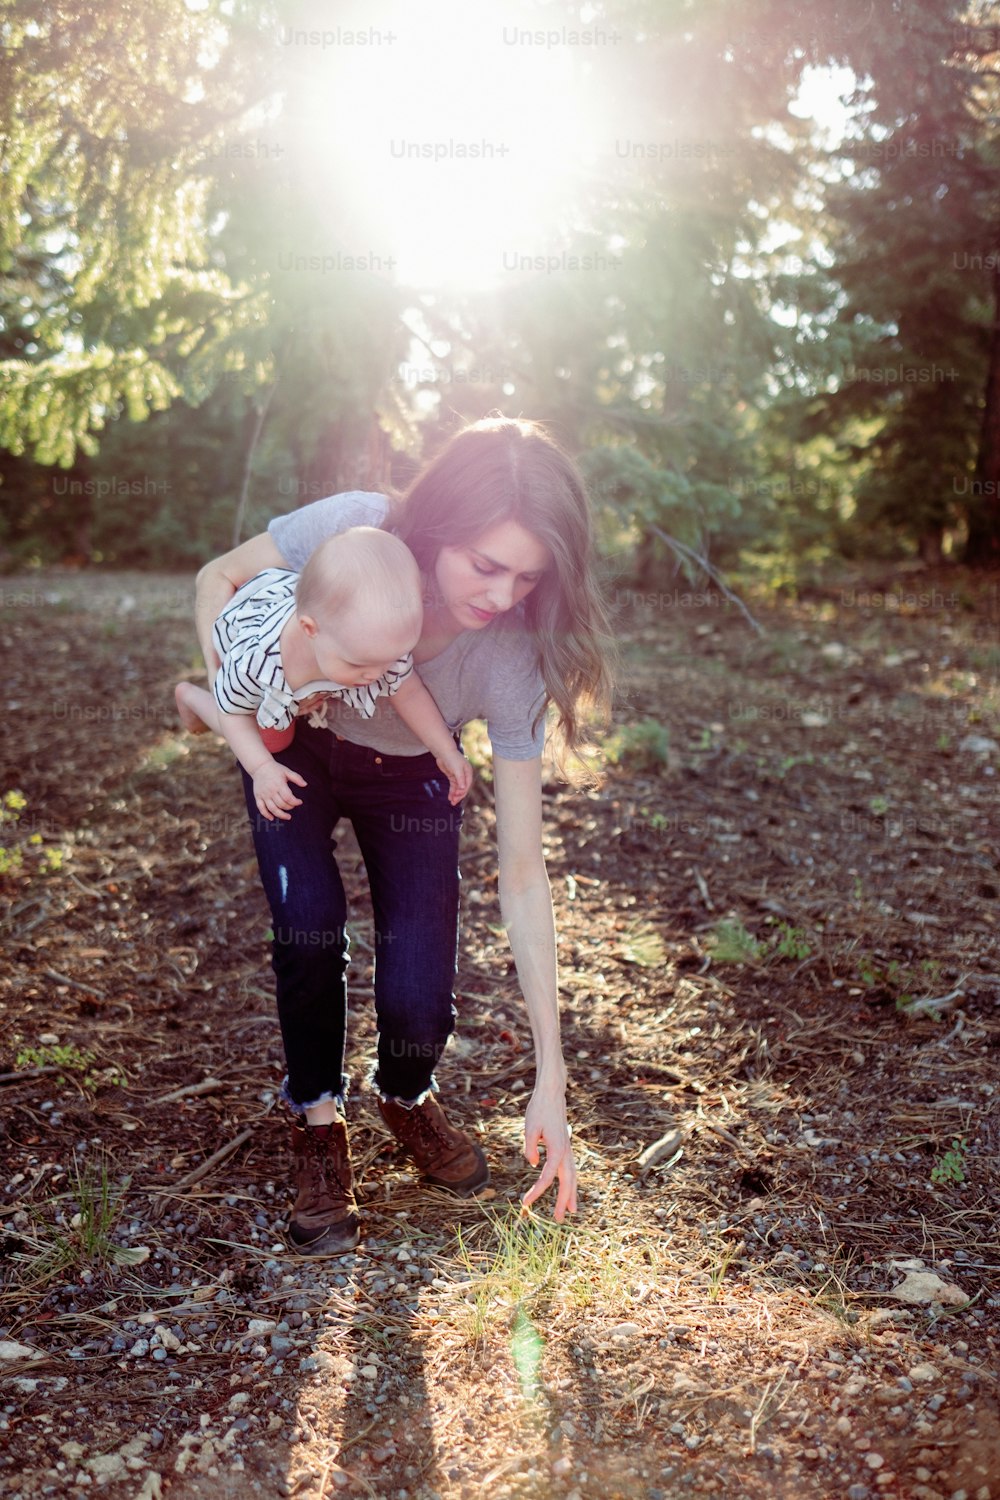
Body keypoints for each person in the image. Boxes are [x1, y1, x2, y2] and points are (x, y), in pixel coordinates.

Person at [193, 417, 614, 1255]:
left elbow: (524, 872)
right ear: (437, 529)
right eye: (484, 564)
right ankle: (317, 1117)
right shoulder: (356, 530)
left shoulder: (513, 656)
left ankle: (405, 1094)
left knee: (420, 991)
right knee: (308, 928)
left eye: (525, 577)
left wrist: (552, 1079)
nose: (499, 596)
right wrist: (251, 683)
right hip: (298, 752)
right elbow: (219, 575)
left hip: (416, 775)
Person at [175, 527, 472, 820]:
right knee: (274, 741)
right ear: (310, 630)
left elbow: (409, 691)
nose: (375, 675)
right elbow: (234, 714)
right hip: (252, 635)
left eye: (388, 661)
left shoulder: (375, 642)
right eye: (358, 665)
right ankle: (192, 698)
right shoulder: (256, 663)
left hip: (310, 628)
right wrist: (262, 769)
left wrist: (446, 750)